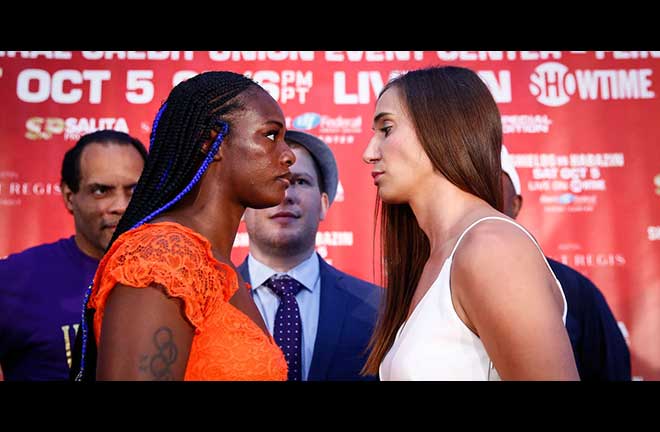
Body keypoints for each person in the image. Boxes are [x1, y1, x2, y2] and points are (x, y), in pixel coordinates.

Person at [70, 71, 296, 381]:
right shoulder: (160, 257)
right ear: (211, 142)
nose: (288, 155)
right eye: (271, 135)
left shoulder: (217, 266)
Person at [361, 66, 579, 380]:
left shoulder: (491, 248)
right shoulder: (436, 256)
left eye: (386, 129)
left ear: (440, 129)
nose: (369, 153)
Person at [0, 130, 147, 380]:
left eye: (133, 191)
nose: (120, 205)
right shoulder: (13, 279)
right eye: (101, 191)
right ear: (70, 197)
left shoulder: (177, 279)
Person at [239, 130, 382, 381]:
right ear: (243, 206)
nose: (285, 196)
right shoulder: (206, 304)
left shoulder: (379, 307)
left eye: (300, 182)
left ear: (325, 204)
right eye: (271, 181)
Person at [500, 145, 631, 380]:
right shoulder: (426, 281)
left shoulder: (576, 292)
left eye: (490, 181)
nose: (479, 199)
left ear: (515, 203)